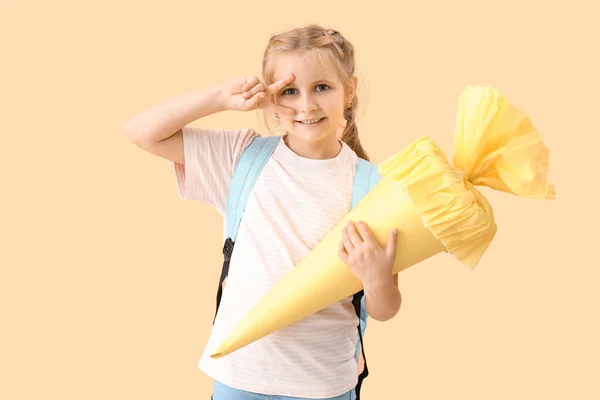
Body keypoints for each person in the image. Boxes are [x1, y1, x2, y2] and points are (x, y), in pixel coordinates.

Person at [125, 23, 402, 400]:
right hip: (238, 378)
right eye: (289, 91)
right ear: (270, 97)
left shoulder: (373, 187)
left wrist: (377, 277)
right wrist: (221, 97)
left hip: (323, 385)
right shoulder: (241, 157)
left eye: (322, 87)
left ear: (350, 90)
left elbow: (384, 309)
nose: (306, 105)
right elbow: (142, 131)